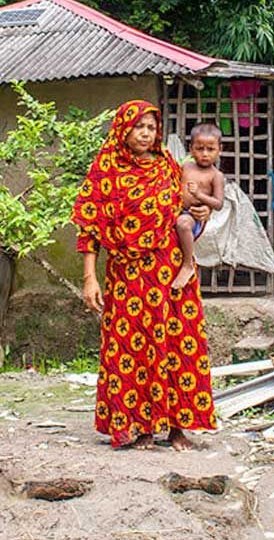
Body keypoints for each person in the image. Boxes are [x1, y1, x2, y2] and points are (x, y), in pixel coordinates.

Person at [72, 100, 216, 451]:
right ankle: (141, 426)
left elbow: (185, 210)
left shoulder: (168, 164)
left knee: (177, 345)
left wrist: (200, 215)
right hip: (127, 276)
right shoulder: (105, 170)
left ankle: (178, 427)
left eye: (151, 127)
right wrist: (90, 278)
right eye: (139, 126)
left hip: (171, 273)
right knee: (132, 350)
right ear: (123, 128)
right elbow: (90, 227)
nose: (146, 133)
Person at [172, 123, 225, 290]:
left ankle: (188, 264)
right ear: (191, 149)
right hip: (176, 210)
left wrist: (200, 196)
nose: (205, 154)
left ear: (219, 149)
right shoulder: (185, 167)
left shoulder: (216, 176)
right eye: (200, 148)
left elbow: (218, 204)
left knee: (183, 223)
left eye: (210, 149)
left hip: (193, 215)